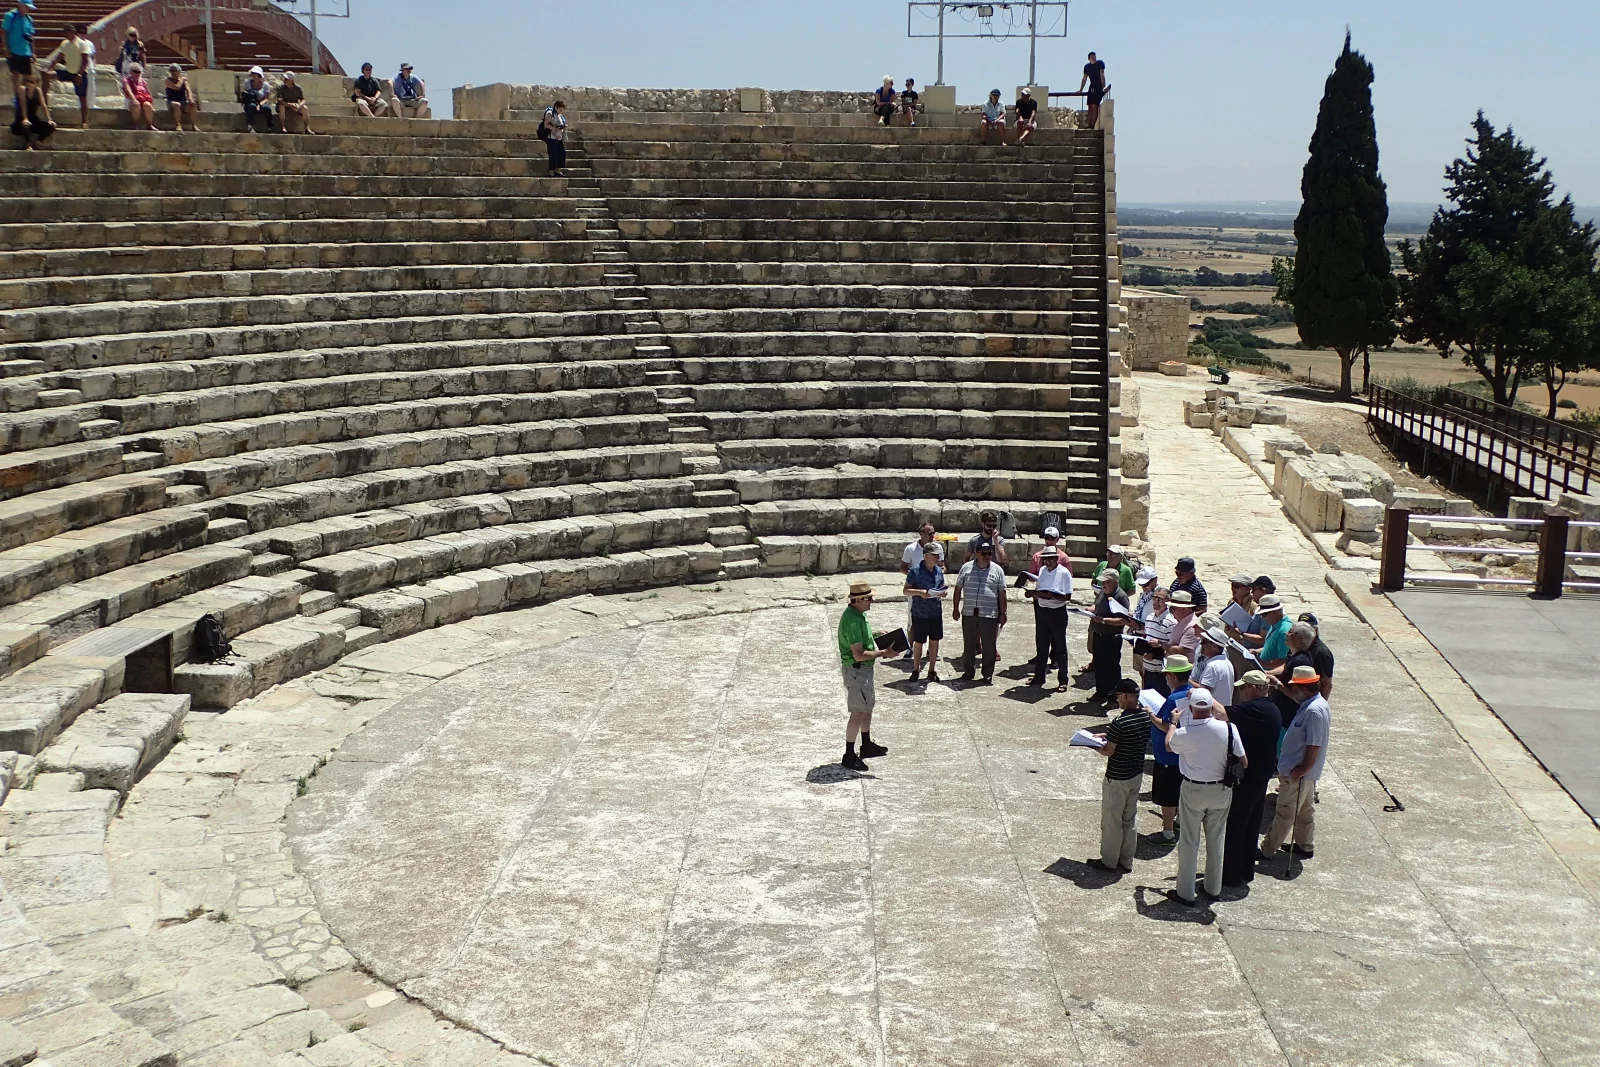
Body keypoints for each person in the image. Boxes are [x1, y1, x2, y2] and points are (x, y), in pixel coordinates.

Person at [1162, 688, 1246, 906]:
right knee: (1216, 840)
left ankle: (1185, 892)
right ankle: (1212, 888)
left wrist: (1173, 723)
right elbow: (1243, 761)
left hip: (1193, 789)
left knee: (1189, 841)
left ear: (1191, 709)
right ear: (1211, 707)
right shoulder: (1229, 729)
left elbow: (1168, 746)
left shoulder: (1185, 733)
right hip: (1220, 790)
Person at [1261, 665, 1330, 861]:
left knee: (1285, 812)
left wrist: (1302, 769)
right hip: (1304, 774)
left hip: (1298, 774)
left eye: (1295, 687)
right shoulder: (1313, 704)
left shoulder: (1315, 711)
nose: (1293, 690)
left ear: (1303, 687)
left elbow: (1314, 744)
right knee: (1305, 811)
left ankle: (1268, 849)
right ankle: (1304, 844)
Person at [1221, 671, 1282, 887]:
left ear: (1255, 688)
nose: (1240, 691)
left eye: (1243, 687)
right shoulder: (1271, 707)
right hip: (1260, 776)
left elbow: (1221, 712)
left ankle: (1230, 876)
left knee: (1236, 827)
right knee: (1251, 825)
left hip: (1248, 779)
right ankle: (1246, 869)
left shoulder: (1255, 709)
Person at [1094, 678, 1149, 872]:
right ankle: (1126, 861)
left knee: (1111, 821)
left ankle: (1109, 861)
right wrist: (1108, 736)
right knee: (1130, 819)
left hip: (1117, 777)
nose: (1118, 700)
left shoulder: (1119, 721)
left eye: (1119, 696)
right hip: (1135, 774)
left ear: (1125, 697)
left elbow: (1109, 751)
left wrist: (1095, 746)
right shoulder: (1145, 717)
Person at [838, 580, 892, 772]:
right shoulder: (852, 621)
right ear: (858, 600)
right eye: (869, 598)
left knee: (866, 708)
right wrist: (884, 652)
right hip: (857, 671)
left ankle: (866, 745)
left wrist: (876, 634)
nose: (872, 601)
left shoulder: (859, 615)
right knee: (858, 712)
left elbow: (862, 639)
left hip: (864, 671)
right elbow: (858, 654)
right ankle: (849, 754)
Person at [1147, 654, 1193, 841]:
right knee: (1181, 793)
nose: (1165, 678)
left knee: (1167, 797)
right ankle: (1180, 822)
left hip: (1169, 758)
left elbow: (1167, 725)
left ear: (1173, 677)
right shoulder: (1192, 692)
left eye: (1167, 675)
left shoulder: (1174, 698)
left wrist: (1151, 715)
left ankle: (1167, 832)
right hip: (1186, 755)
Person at [952, 539, 1006, 684]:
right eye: (984, 553)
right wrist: (955, 608)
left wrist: (1003, 613)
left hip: (989, 614)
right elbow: (958, 589)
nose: (987, 556)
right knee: (969, 644)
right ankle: (968, 671)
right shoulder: (966, 568)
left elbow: (1002, 593)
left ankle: (987, 674)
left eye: (990, 553)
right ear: (976, 553)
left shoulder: (997, 570)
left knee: (989, 645)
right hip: (969, 613)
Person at [1025, 547, 1072, 690]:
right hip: (1042, 610)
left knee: (1060, 647)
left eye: (1051, 559)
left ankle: (1063, 680)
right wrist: (1032, 594)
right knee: (1041, 645)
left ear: (1057, 559)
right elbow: (1040, 590)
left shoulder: (1064, 573)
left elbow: (1068, 596)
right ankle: (1039, 676)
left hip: (1057, 612)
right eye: (1046, 559)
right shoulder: (1042, 571)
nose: (1048, 562)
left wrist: (1053, 596)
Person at [903, 541, 947, 684]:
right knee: (919, 642)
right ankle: (916, 669)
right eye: (935, 555)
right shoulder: (915, 571)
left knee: (935, 641)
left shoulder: (939, 571)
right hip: (920, 612)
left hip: (935, 612)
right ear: (927, 556)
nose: (938, 558)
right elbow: (906, 590)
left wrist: (942, 593)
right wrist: (920, 592)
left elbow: (941, 586)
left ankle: (931, 670)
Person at [42, 23, 93, 128]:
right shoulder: (65, 43)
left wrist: (79, 74)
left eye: (67, 32)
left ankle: (84, 121)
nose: (65, 35)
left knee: (82, 98)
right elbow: (59, 57)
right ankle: (44, 101)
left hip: (80, 73)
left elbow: (85, 61)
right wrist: (50, 68)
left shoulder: (82, 44)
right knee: (46, 75)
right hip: (68, 72)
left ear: (72, 32)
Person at [1089, 569, 1129, 702]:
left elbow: (1122, 620)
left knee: (1111, 667)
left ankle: (1114, 698)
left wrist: (1104, 620)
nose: (1103, 584)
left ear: (1115, 582)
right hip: (1098, 635)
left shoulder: (1121, 597)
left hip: (1111, 637)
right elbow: (1098, 606)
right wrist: (1090, 610)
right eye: (1103, 581)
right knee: (1099, 665)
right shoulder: (1103, 592)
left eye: (1107, 581)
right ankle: (1101, 692)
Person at [1134, 583, 1175, 693]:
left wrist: (1156, 654)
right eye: (1154, 598)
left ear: (1167, 602)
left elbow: (1173, 648)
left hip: (1161, 672)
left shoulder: (1170, 622)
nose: (1156, 602)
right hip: (1147, 669)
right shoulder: (1149, 618)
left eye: (1159, 599)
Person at [4, 0, 34, 126]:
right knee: (15, 76)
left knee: (28, 77)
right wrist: (6, 48)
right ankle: (17, 100)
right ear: (21, 5)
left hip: (25, 52)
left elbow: (31, 36)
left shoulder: (28, 19)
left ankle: (26, 100)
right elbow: (3, 32)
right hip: (14, 50)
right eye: (26, 6)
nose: (27, 9)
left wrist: (33, 51)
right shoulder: (10, 16)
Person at [1193, 627, 1235, 711]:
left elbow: (1204, 691)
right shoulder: (1226, 662)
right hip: (1222, 712)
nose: (1201, 644)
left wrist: (1186, 679)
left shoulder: (1213, 666)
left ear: (1214, 646)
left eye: (1204, 642)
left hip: (1214, 713)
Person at [1296, 612, 1336, 699]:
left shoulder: (1322, 653)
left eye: (1307, 630)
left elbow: (1326, 684)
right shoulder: (1297, 644)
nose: (1303, 633)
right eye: (1300, 630)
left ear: (1316, 630)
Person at [8, 67, 50, 148]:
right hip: (21, 119)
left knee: (51, 126)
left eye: (31, 82)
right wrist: (25, 118)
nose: (29, 83)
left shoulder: (38, 91)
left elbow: (43, 105)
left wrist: (49, 119)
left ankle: (39, 141)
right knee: (26, 125)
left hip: (33, 119)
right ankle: (28, 144)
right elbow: (23, 104)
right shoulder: (23, 89)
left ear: (36, 84)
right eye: (27, 81)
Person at [1253, 595, 1292, 671]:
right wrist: (1257, 651)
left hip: (1272, 674)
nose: (1262, 617)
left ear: (1274, 612)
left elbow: (1282, 661)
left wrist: (1260, 663)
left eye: (1264, 614)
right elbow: (1272, 646)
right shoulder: (1275, 623)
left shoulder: (1283, 631)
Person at [1166, 589, 1201, 665]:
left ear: (1183, 609)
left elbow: (1180, 651)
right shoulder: (1183, 622)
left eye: (1172, 609)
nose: (1171, 612)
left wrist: (1161, 644)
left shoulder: (1192, 627)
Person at [121, 62, 157, 131]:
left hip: (143, 98)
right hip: (131, 99)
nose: (137, 74)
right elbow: (128, 90)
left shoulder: (143, 81)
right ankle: (135, 124)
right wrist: (134, 99)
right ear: (131, 72)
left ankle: (149, 125)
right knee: (136, 105)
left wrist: (152, 103)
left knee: (148, 105)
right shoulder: (127, 80)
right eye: (135, 72)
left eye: (139, 72)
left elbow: (148, 92)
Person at [164, 65, 200, 132]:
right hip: (171, 102)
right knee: (177, 105)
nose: (173, 72)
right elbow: (176, 87)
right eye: (172, 71)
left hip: (183, 101)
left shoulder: (183, 81)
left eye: (175, 71)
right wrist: (182, 79)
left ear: (178, 72)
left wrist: (190, 99)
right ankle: (178, 124)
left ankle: (193, 125)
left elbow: (188, 90)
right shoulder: (167, 80)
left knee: (193, 105)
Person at [1078, 50, 1107, 129]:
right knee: (1090, 105)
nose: (1094, 58)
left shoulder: (1100, 64)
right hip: (1092, 87)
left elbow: (1102, 75)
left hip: (1098, 87)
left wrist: (1103, 86)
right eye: (1092, 57)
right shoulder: (1087, 67)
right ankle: (1089, 124)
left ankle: (1093, 125)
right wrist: (1081, 89)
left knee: (1094, 106)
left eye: (1094, 57)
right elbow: (1084, 78)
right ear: (1089, 59)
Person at [239, 66, 272, 133]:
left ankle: (270, 126)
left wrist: (259, 104)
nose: (253, 75)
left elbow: (266, 98)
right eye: (252, 73)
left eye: (255, 73)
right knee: (251, 106)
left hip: (261, 102)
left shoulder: (265, 85)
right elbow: (243, 93)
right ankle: (250, 126)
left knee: (266, 108)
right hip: (250, 102)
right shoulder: (247, 82)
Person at [542, 99, 568, 176]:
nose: (561, 111)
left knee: (562, 153)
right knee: (553, 154)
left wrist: (563, 127)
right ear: (556, 107)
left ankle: (558, 170)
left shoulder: (560, 115)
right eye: (560, 109)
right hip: (551, 137)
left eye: (562, 109)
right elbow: (546, 124)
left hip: (559, 137)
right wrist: (555, 128)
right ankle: (551, 171)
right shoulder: (550, 113)